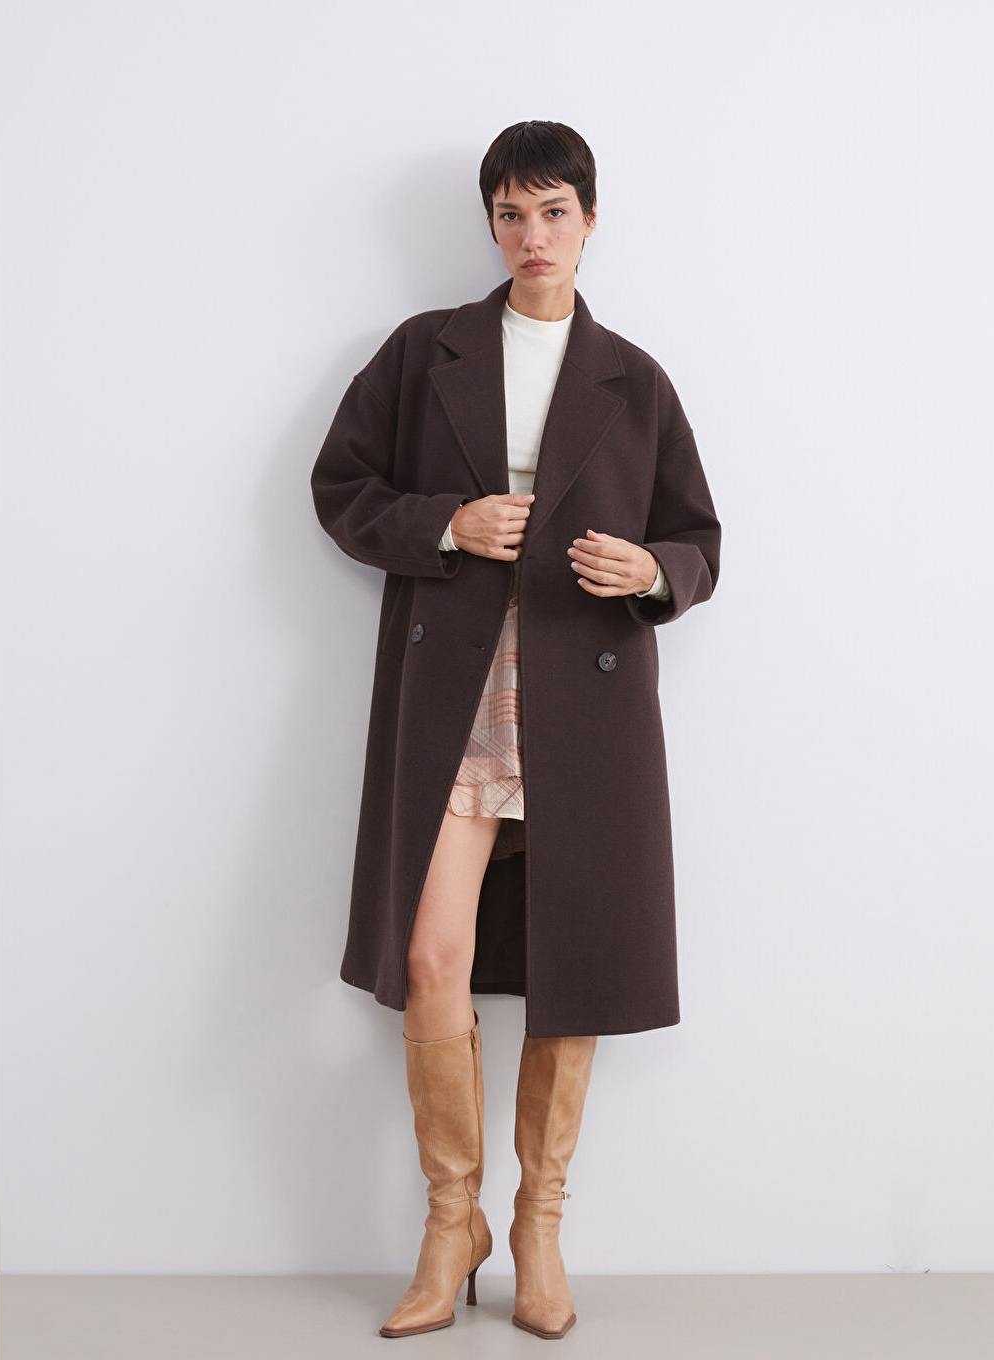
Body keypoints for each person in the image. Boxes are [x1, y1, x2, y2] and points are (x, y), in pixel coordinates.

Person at [311, 120, 721, 1340]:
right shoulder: (423, 352)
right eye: (509, 213)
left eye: (552, 211)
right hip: (458, 694)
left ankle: (538, 1224)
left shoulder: (634, 379)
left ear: (590, 220)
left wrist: (651, 569)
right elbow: (341, 488)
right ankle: (455, 1222)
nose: (531, 235)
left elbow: (698, 537)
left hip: (585, 701)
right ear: (489, 224)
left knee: (572, 968)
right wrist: (445, 526)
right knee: (430, 958)